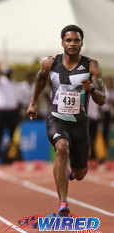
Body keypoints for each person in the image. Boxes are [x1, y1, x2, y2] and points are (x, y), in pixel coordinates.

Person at [27, 25, 106, 216]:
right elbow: (40, 79)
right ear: (62, 42)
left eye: (76, 40)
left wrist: (91, 90)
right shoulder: (51, 63)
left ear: (81, 43)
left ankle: (73, 172)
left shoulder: (91, 66)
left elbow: (102, 99)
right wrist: (33, 102)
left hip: (80, 123)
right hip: (57, 119)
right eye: (68, 40)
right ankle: (63, 202)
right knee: (61, 148)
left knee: (80, 174)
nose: (72, 44)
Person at [0, 67, 21, 164]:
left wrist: (18, 115)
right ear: (5, 73)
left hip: (12, 113)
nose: (9, 74)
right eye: (7, 72)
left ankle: (11, 156)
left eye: (10, 73)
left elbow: (17, 101)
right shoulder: (0, 81)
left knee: (12, 135)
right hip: (1, 112)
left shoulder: (14, 84)